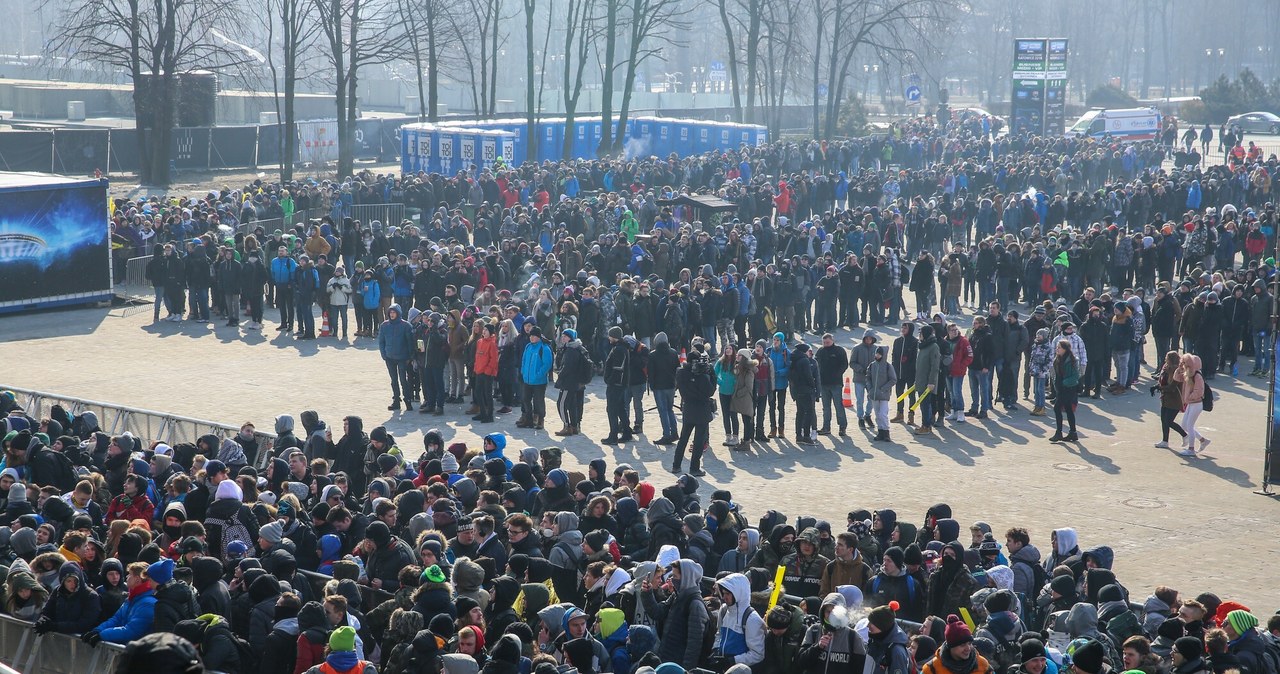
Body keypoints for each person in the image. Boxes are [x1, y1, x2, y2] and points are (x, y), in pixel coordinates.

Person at [673, 345, 716, 476]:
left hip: (688, 408)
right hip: (701, 410)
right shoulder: (702, 377)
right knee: (698, 441)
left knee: (683, 438)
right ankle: (694, 468)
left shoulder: (681, 373)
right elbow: (710, 391)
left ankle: (676, 465)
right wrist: (711, 374)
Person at [554, 328, 592, 437]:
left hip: (569, 382)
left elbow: (568, 367)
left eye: (565, 336)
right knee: (574, 405)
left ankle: (567, 426)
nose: (563, 337)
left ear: (571, 338)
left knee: (561, 404)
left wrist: (560, 375)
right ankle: (575, 426)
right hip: (579, 383)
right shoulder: (580, 348)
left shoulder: (571, 350)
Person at [379, 304, 415, 412]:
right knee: (394, 380)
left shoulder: (406, 326)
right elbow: (381, 341)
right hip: (390, 357)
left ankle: (407, 400)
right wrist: (384, 354)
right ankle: (396, 401)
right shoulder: (384, 325)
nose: (392, 314)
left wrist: (410, 356)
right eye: (390, 312)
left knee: (403, 380)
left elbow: (410, 342)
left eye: (394, 312)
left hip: (402, 357)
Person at [518, 326, 553, 430]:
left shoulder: (544, 348)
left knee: (538, 401)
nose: (531, 338)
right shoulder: (528, 347)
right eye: (531, 336)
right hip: (527, 380)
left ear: (538, 337)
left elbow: (547, 364)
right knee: (525, 399)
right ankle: (528, 419)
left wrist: (538, 375)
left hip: (539, 381)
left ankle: (541, 420)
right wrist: (523, 372)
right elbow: (523, 360)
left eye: (534, 336)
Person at [602, 326, 633, 444]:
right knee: (620, 409)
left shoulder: (619, 349)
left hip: (616, 385)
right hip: (620, 384)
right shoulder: (621, 348)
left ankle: (613, 435)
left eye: (610, 335)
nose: (608, 337)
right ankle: (627, 432)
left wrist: (610, 380)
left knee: (612, 410)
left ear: (614, 336)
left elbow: (617, 369)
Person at [1173, 353, 1207, 456]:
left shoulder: (1197, 376)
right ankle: (1203, 440)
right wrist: (1179, 368)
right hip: (1190, 404)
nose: (1184, 365)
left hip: (1196, 404)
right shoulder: (1188, 373)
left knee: (1189, 426)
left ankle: (1191, 449)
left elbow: (1199, 391)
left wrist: (1188, 398)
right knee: (1184, 425)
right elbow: (1176, 378)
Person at [816, 333, 850, 436]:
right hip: (823, 384)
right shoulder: (820, 351)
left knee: (838, 406)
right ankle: (826, 427)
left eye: (828, 342)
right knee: (826, 407)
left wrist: (837, 374)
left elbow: (844, 364)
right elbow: (816, 364)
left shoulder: (839, 351)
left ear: (832, 341)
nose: (826, 344)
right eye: (824, 342)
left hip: (836, 383)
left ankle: (842, 427)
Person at [1050, 339, 1081, 443]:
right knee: (1068, 409)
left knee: (1057, 408)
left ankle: (1059, 432)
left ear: (1065, 349)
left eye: (1059, 347)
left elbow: (1076, 376)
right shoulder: (1057, 359)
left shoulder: (1072, 360)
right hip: (1061, 389)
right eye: (1057, 347)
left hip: (1069, 388)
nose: (1057, 349)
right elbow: (1056, 374)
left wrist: (1064, 383)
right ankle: (1073, 432)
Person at [789, 343, 820, 445]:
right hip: (806, 390)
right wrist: (813, 386)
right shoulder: (804, 360)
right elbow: (808, 376)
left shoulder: (794, 360)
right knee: (809, 413)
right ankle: (807, 436)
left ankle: (798, 436)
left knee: (800, 413)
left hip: (797, 390)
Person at [867, 345, 897, 442]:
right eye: (876, 353)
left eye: (879, 353)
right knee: (877, 414)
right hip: (874, 394)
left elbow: (893, 379)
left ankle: (886, 431)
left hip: (884, 395)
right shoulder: (872, 365)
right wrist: (870, 389)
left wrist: (884, 388)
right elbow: (868, 378)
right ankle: (880, 431)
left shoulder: (888, 366)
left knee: (883, 414)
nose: (877, 355)